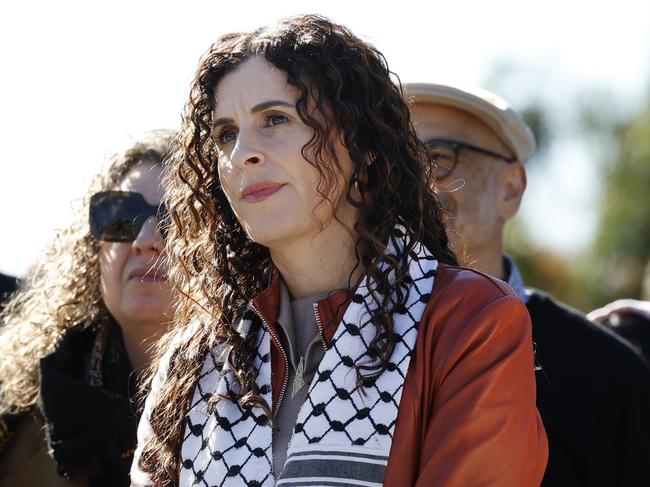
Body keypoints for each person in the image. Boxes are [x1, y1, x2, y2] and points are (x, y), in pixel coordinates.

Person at [131, 15, 547, 487]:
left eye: (276, 119)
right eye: (226, 133)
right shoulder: (194, 359)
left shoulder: (469, 322)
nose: (242, 152)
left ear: (363, 144)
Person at [404, 82, 650, 486]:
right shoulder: (336, 353)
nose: (414, 182)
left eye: (438, 157)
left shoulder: (608, 377)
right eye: (397, 161)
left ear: (511, 188)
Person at [0, 130, 176, 486]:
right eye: (122, 217)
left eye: (176, 220)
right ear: (92, 252)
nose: (146, 241)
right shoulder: (17, 413)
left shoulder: (265, 396)